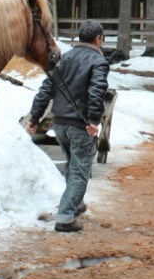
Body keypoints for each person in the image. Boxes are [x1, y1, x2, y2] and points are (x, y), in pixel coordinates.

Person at [26, 20, 111, 233]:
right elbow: (96, 92)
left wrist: (35, 117)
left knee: (72, 165)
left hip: (60, 123)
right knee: (80, 170)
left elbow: (46, 88)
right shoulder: (98, 61)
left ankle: (76, 203)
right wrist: (93, 121)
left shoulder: (64, 58)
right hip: (81, 125)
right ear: (98, 38)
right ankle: (65, 217)